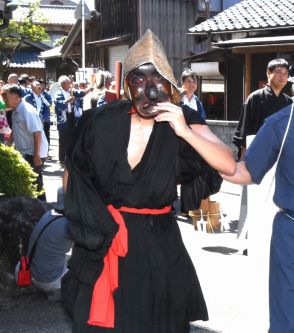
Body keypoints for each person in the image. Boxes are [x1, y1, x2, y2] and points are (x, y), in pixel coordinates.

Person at [61, 30, 236, 333]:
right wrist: (96, 224)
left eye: (157, 81)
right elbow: (71, 177)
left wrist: (185, 132)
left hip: (159, 245)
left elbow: (228, 164)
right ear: (127, 85)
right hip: (105, 239)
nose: (149, 90)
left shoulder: (183, 119)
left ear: (169, 85)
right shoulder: (100, 122)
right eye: (139, 80)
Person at [221, 102, 294, 333]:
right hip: (291, 232)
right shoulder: (282, 123)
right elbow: (247, 171)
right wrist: (205, 152)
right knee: (286, 317)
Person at [233, 58, 292, 159]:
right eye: (278, 72)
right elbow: (245, 131)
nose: (282, 77)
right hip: (258, 153)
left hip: (281, 154)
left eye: (285, 73)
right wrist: (243, 160)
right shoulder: (255, 98)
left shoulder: (288, 102)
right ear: (268, 73)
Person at [1, 84, 48, 200]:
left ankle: (44, 210)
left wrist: (36, 156)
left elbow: (37, 133)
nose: (3, 98)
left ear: (16, 96)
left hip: (34, 152)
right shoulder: (15, 109)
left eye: (5, 95)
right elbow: (15, 130)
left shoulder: (27, 111)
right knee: (28, 183)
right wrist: (8, 146)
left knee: (36, 184)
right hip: (26, 151)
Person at [26, 186, 73, 300]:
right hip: (48, 279)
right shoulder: (70, 224)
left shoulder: (48, 214)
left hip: (30, 273)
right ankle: (57, 292)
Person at [54, 75, 88, 166]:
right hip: (64, 119)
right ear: (64, 84)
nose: (70, 85)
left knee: (72, 136)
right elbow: (58, 104)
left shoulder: (71, 91)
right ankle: (62, 159)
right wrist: (67, 101)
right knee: (63, 138)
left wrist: (89, 90)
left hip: (71, 116)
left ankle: (70, 156)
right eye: (69, 83)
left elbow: (80, 94)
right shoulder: (59, 93)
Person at [24, 80, 52, 149]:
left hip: (40, 121)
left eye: (39, 85)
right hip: (31, 121)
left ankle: (41, 154)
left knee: (41, 139)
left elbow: (47, 108)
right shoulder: (28, 97)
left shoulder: (43, 97)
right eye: (37, 85)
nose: (39, 86)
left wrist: (44, 117)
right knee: (31, 139)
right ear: (32, 87)